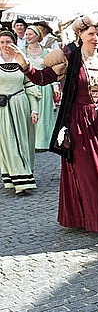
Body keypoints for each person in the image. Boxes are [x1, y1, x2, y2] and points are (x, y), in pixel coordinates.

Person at [15, 16, 98, 240]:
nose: (96, 38)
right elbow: (44, 78)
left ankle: (81, 217)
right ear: (80, 35)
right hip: (78, 121)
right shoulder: (70, 58)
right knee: (95, 171)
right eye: (91, 34)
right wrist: (25, 66)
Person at [0, 30, 39, 196]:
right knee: (7, 142)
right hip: (2, 108)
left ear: (14, 42)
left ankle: (23, 176)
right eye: (1, 42)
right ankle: (17, 180)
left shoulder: (22, 61)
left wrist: (34, 109)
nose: (5, 45)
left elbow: (30, 86)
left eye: (8, 42)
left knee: (22, 142)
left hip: (20, 104)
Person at [24, 25, 53, 151]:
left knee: (44, 114)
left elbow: (51, 71)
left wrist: (56, 88)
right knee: (30, 113)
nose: (28, 37)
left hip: (43, 85)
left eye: (30, 34)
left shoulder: (46, 52)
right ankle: (31, 141)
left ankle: (44, 141)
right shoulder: (22, 51)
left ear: (37, 36)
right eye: (26, 34)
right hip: (28, 85)